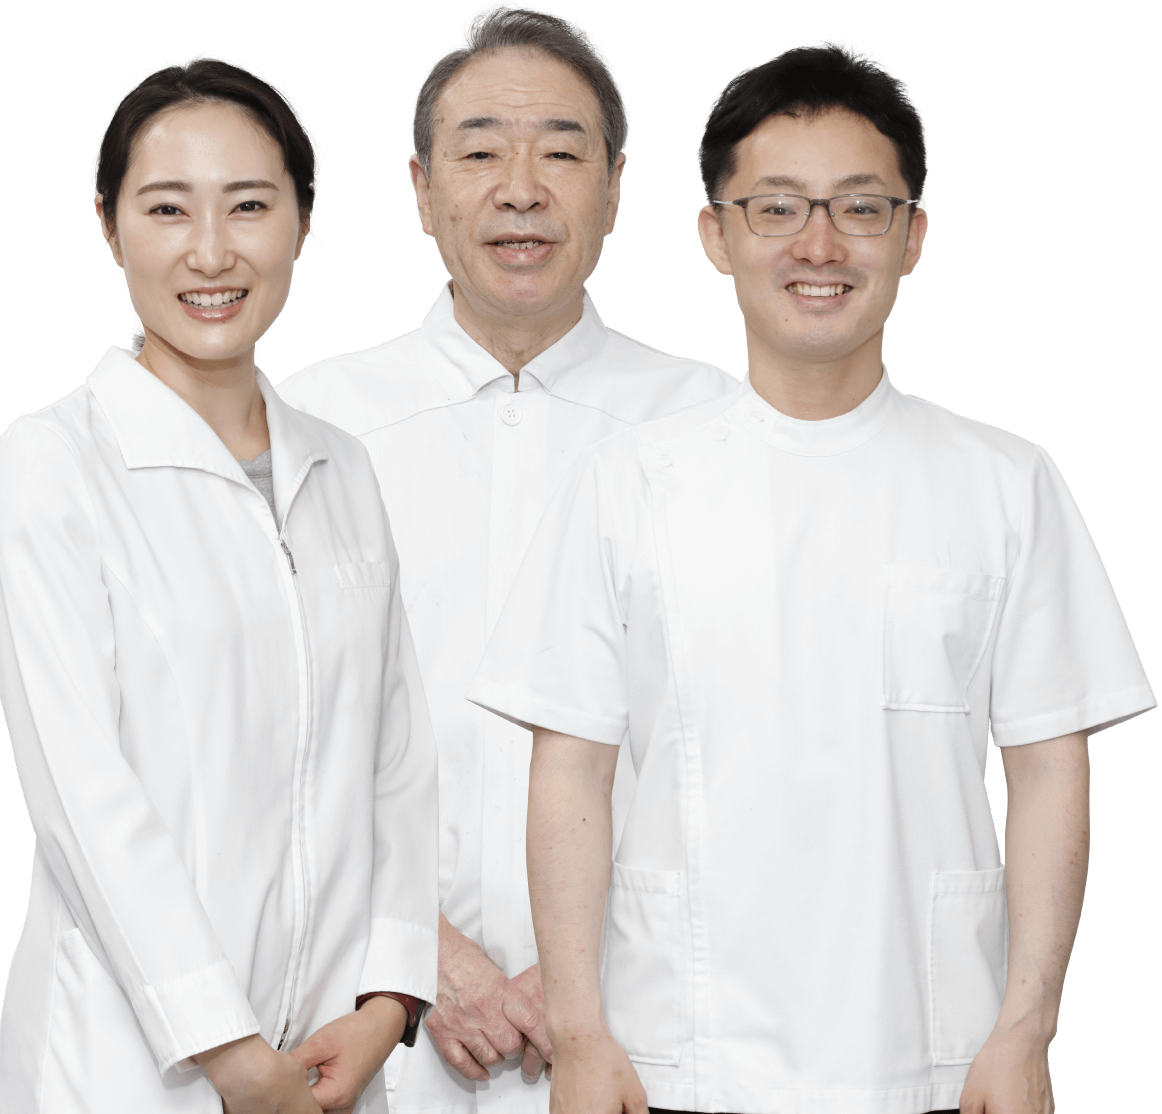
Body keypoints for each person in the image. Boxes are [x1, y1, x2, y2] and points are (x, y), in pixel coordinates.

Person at [466, 34, 1156, 1114]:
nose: (818, 245)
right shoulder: (627, 481)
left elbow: (1047, 768)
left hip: (933, 1050)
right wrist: (582, 1030)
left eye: (860, 208)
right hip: (677, 1053)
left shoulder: (1004, 481)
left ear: (912, 235)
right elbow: (569, 773)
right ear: (716, 234)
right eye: (777, 208)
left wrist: (1026, 1028)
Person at [276, 4, 738, 1111]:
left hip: (652, 1017)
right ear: (421, 187)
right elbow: (263, 731)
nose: (521, 189)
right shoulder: (312, 422)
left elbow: (753, 741)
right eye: (480, 152)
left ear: (615, 188)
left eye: (562, 154)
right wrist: (424, 953)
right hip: (368, 1008)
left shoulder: (714, 425)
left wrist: (582, 971)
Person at [0, 53, 438, 1114]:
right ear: (108, 225)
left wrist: (386, 999)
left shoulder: (340, 466)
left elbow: (399, 761)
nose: (211, 251)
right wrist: (228, 1051)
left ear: (303, 221)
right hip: (130, 1066)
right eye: (166, 209)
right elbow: (82, 795)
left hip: (330, 1056)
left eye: (249, 205)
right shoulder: (54, 463)